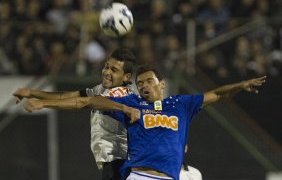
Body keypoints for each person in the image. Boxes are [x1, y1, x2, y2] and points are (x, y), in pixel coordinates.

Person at [21, 65, 266, 180]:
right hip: (140, 177)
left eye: (149, 81)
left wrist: (240, 86)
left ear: (162, 84)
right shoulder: (132, 104)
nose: (144, 85)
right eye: (140, 84)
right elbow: (87, 102)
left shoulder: (181, 104)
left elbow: (218, 95)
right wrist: (43, 103)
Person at [13, 48, 136, 180]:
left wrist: (43, 104)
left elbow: (81, 103)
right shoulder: (102, 89)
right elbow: (68, 96)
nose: (107, 72)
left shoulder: (121, 94)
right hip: (113, 161)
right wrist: (31, 93)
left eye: (114, 70)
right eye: (106, 67)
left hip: (122, 161)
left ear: (126, 77)